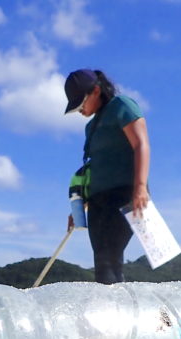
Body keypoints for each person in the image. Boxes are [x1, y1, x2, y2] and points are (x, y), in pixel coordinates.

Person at [64, 69, 150, 284]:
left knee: (110, 257)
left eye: (80, 103)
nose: (80, 110)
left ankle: (120, 311)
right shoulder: (90, 127)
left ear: (95, 90)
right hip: (97, 199)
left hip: (124, 193)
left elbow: (141, 144)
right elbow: (95, 166)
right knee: (101, 260)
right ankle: (109, 309)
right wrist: (79, 205)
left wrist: (140, 187)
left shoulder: (122, 106)